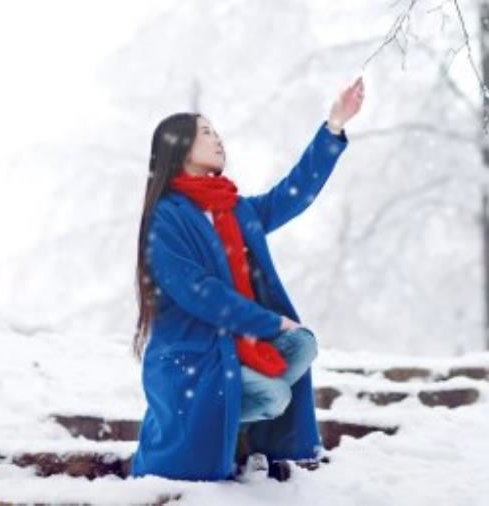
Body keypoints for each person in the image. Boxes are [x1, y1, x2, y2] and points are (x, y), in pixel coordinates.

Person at [128, 76, 365, 482]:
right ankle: (224, 430)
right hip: (194, 352)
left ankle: (227, 422)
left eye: (216, 132)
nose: (217, 139)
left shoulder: (233, 209)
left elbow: (291, 194)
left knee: (301, 345)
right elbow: (200, 292)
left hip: (234, 343)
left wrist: (334, 127)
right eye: (205, 133)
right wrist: (269, 321)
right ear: (179, 147)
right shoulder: (167, 216)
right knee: (274, 394)